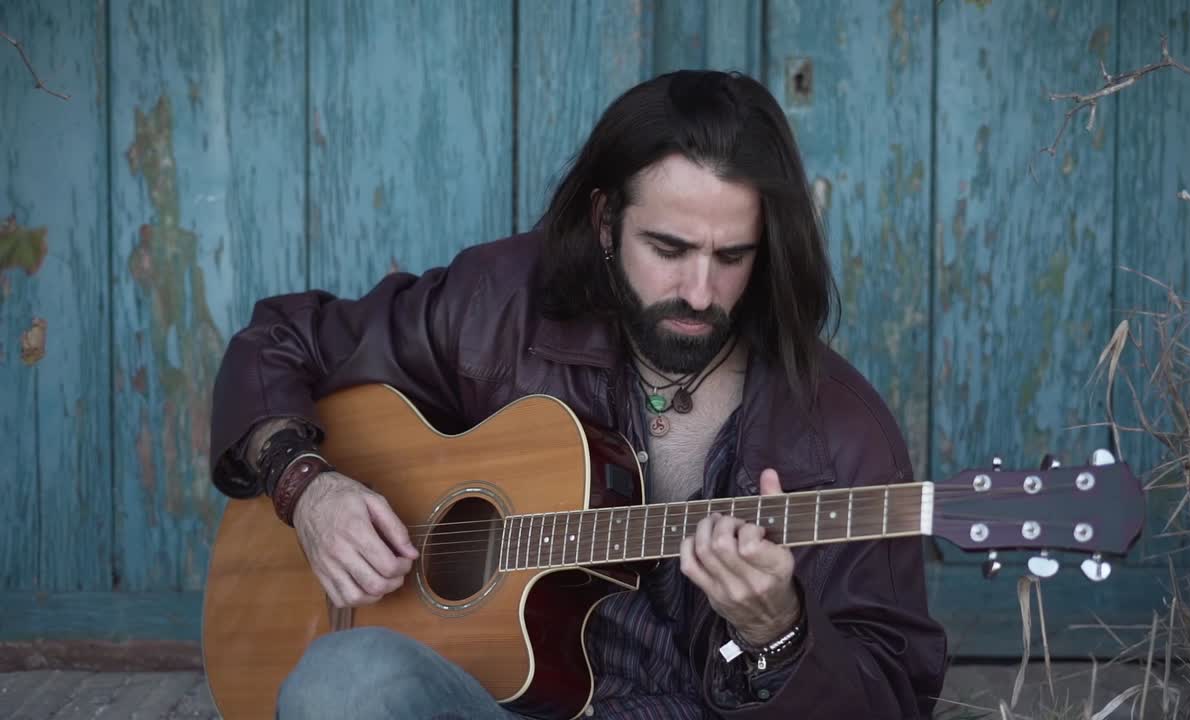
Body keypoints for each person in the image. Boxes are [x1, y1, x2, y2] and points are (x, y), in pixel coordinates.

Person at [209, 69, 947, 719]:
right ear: (604, 222)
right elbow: (281, 342)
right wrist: (307, 489)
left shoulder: (839, 431)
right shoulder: (500, 306)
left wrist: (778, 635)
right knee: (347, 683)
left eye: (731, 257)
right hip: (477, 705)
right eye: (668, 250)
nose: (699, 290)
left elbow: (895, 692)